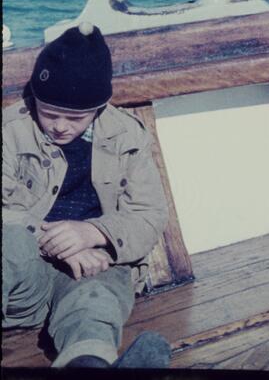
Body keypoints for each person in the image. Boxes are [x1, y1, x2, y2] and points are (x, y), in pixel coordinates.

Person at [2, 23, 171, 368]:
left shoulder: (128, 137)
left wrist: (93, 233)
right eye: (49, 114)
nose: (60, 126)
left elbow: (149, 215)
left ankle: (89, 365)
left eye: (75, 118)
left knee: (97, 300)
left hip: (89, 266)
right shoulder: (10, 131)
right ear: (35, 99)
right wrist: (54, 240)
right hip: (23, 285)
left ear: (100, 108)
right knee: (10, 244)